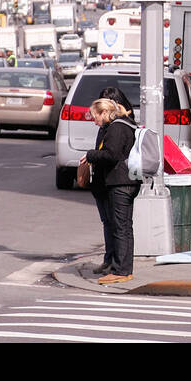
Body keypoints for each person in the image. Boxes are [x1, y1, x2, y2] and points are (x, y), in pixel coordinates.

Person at [82, 97, 139, 285]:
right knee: (124, 227)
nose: (94, 120)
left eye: (95, 116)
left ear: (105, 112)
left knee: (120, 227)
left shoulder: (116, 128)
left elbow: (112, 154)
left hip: (120, 182)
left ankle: (120, 270)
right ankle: (124, 269)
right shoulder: (126, 124)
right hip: (128, 181)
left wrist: (91, 155)